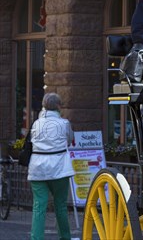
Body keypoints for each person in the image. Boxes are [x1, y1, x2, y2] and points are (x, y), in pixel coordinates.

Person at [28, 92, 75, 240]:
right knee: (60, 205)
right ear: (58, 106)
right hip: (59, 169)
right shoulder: (64, 124)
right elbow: (70, 140)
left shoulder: (36, 123)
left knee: (39, 207)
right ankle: (65, 237)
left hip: (37, 169)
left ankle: (36, 238)